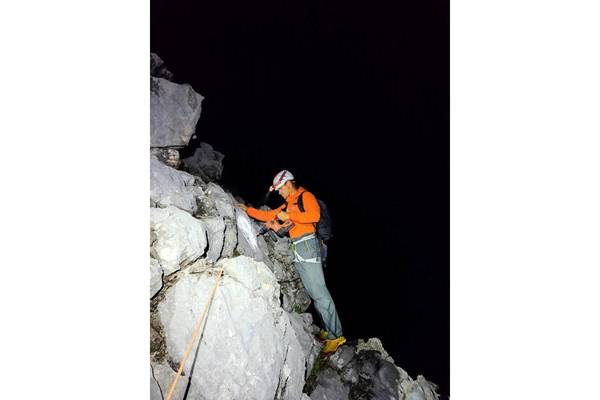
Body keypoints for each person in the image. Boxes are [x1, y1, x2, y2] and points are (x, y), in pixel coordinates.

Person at [239, 170, 346, 354]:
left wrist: (289, 217)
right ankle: (329, 329)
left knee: (320, 293)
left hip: (308, 247)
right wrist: (247, 210)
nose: (280, 193)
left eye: (280, 189)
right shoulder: (289, 203)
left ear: (288, 184)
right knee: (314, 293)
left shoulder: (305, 196)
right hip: (299, 248)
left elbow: (314, 216)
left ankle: (336, 336)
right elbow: (270, 215)